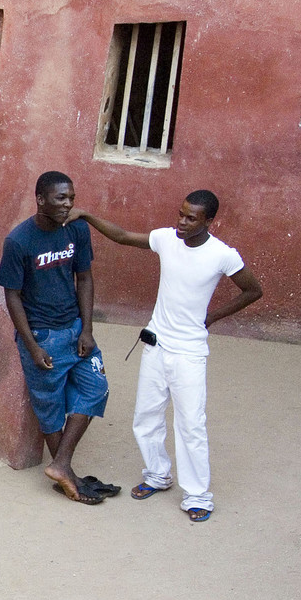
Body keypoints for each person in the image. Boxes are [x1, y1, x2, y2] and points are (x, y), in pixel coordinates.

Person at [75, 191, 263, 522]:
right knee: (146, 416)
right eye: (180, 214)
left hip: (189, 352)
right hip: (155, 346)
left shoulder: (222, 255)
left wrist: (212, 317)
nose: (182, 222)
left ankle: (198, 496)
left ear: (208, 221)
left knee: (191, 424)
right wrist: (87, 216)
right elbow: (121, 237)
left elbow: (253, 290)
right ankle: (157, 476)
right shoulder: (165, 239)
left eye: (191, 218)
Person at [0, 171, 112, 504]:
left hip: (75, 329)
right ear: (41, 199)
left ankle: (61, 465)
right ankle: (64, 474)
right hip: (42, 336)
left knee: (96, 388)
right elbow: (13, 296)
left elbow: (85, 278)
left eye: (72, 198)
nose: (68, 204)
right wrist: (31, 346)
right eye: (61, 198)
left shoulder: (77, 228)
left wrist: (87, 328)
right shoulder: (19, 240)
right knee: (49, 407)